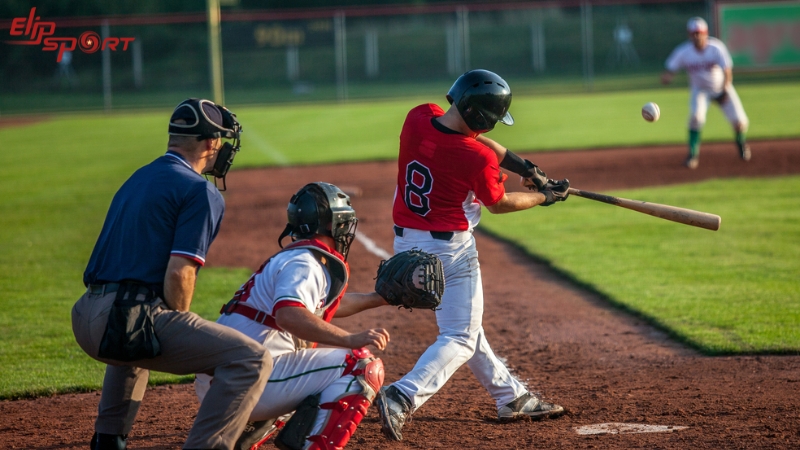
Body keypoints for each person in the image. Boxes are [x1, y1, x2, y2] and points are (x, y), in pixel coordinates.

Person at [375, 69, 569, 442]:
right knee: (460, 336)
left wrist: (528, 169)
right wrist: (545, 196)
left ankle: (511, 398)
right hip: (449, 252)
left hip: (406, 245)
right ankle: (402, 395)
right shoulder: (474, 157)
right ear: (481, 117)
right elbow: (500, 203)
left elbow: (476, 144)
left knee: (465, 326)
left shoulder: (418, 117)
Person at [72, 98, 272, 450]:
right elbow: (180, 274)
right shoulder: (200, 190)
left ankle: (108, 439)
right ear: (211, 143)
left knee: (138, 326)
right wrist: (185, 329)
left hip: (86, 314)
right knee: (251, 359)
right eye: (222, 140)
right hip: (117, 323)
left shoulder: (139, 176)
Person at [195, 182, 390, 450]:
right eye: (343, 222)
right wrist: (351, 339)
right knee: (359, 366)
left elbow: (315, 309)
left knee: (307, 370)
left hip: (222, 383)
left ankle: (239, 436)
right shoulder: (305, 263)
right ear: (330, 224)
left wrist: (377, 299)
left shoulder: (294, 259)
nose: (347, 229)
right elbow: (290, 315)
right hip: (248, 382)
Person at [661, 17, 751, 169]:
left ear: (706, 33)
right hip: (700, 91)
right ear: (689, 34)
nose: (696, 36)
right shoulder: (684, 51)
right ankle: (692, 155)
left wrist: (724, 90)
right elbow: (670, 69)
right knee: (696, 118)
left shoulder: (716, 47)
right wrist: (667, 77)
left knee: (740, 122)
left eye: (699, 32)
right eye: (693, 33)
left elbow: (727, 71)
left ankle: (741, 144)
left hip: (722, 87)